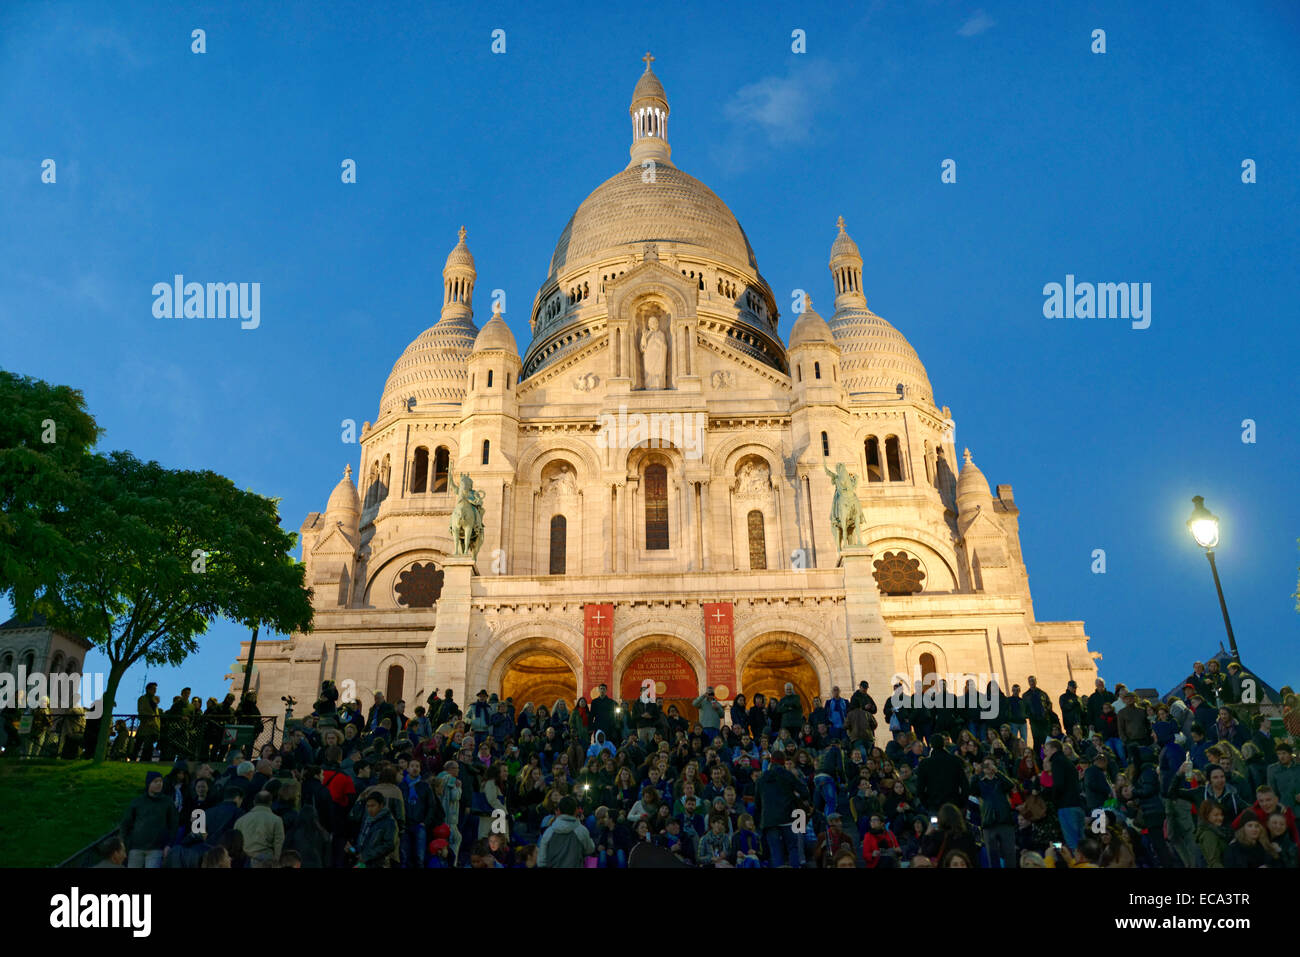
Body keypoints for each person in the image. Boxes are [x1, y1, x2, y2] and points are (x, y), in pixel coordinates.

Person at [120, 770, 179, 868]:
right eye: (155, 781)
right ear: (149, 783)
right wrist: (122, 842)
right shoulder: (137, 802)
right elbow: (126, 822)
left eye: (161, 781)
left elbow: (174, 824)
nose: (159, 784)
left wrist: (169, 844)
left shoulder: (167, 802)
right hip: (136, 847)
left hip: (156, 848)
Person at [537, 795, 594, 867]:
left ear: (559, 811)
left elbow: (541, 860)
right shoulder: (581, 831)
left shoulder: (549, 832)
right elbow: (590, 849)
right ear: (576, 810)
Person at [234, 790, 285, 868]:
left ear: (254, 802)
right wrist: (276, 863)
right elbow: (279, 844)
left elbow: (236, 843)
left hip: (245, 860)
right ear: (270, 803)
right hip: (267, 861)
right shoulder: (276, 820)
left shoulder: (241, 820)